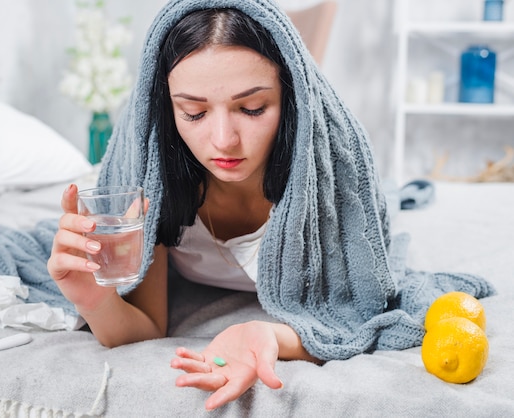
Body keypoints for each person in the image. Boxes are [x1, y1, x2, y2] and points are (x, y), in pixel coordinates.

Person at [47, 0, 494, 411]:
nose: (223, 140)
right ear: (167, 110)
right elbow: (145, 329)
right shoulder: (153, 176)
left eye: (253, 108)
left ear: (290, 100)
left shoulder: (332, 167)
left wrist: (268, 334)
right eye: (194, 113)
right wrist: (95, 301)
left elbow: (358, 310)